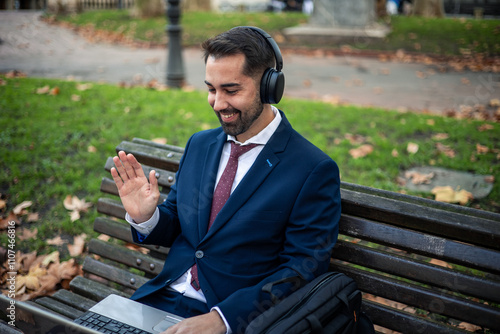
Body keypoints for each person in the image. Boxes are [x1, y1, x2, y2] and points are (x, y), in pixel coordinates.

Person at [110, 26, 341, 334]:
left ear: (270, 87)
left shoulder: (312, 169)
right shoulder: (200, 144)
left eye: (231, 91)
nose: (218, 104)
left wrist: (223, 319)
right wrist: (146, 217)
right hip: (158, 301)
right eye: (211, 89)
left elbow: (300, 270)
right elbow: (180, 225)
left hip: (234, 319)